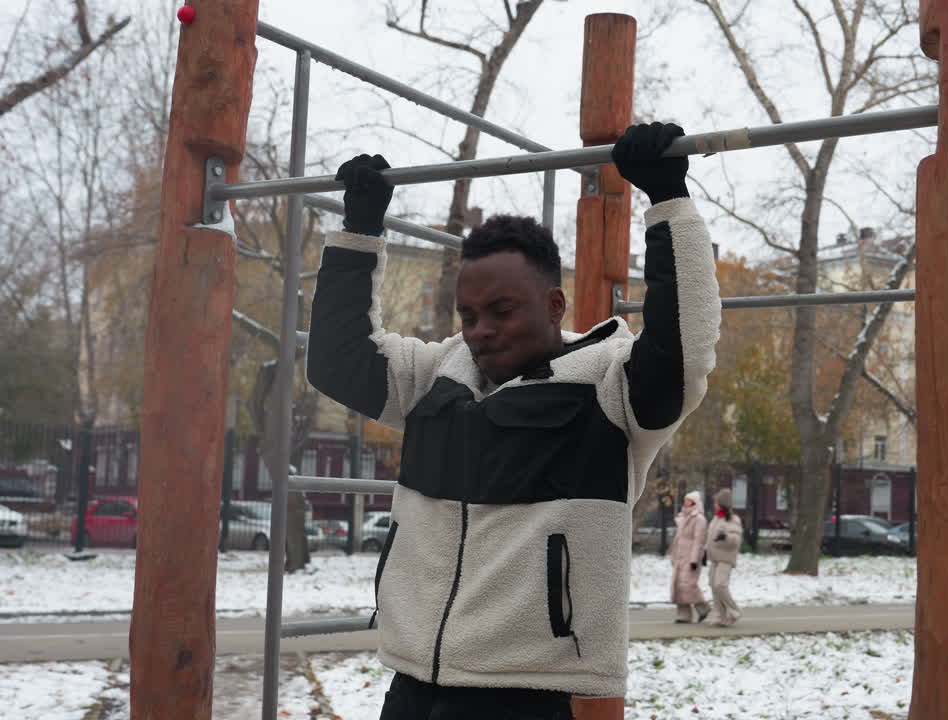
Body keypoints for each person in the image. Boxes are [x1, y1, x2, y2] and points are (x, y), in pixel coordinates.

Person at [305, 121, 720, 719]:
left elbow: (684, 350)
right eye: (469, 314)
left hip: (525, 691)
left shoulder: (610, 389)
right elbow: (337, 360)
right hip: (413, 680)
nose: (481, 330)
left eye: (502, 311)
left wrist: (667, 199)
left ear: (554, 305)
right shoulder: (437, 376)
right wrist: (360, 231)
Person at [669, 490, 711, 623]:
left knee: (688, 585)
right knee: (678, 585)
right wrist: (673, 555)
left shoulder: (699, 519)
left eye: (688, 500)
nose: (685, 502)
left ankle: (703, 608)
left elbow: (698, 541)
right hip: (680, 557)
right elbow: (678, 539)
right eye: (685, 500)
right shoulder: (682, 517)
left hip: (691, 557)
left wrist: (694, 560)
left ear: (694, 502)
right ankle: (684, 615)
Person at [705, 488, 743, 627]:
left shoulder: (733, 519)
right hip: (714, 558)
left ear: (722, 504)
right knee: (713, 586)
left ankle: (734, 611)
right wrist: (705, 549)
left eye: (716, 502)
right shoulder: (716, 518)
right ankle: (722, 617)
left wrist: (726, 536)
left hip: (725, 558)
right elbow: (710, 537)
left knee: (720, 585)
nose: (714, 504)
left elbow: (736, 541)